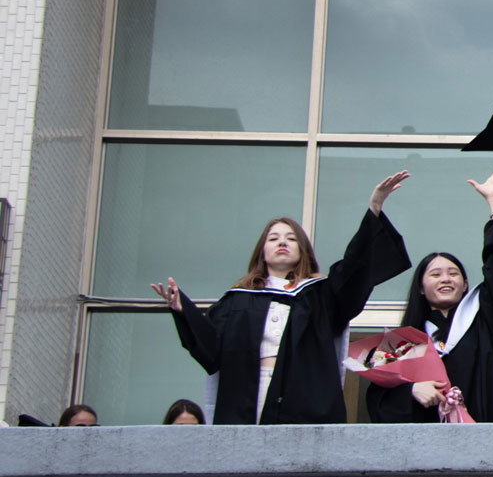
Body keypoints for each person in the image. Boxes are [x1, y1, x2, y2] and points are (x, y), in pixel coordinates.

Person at [152, 173, 412, 425]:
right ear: (262, 251)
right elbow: (210, 349)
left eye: (290, 239)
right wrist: (183, 310)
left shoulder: (319, 293)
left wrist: (374, 208)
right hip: (249, 392)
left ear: (302, 251)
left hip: (303, 396)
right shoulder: (238, 299)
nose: (282, 243)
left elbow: (353, 270)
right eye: (273, 238)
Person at [366, 166, 493, 425]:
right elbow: (377, 398)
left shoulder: (483, 323)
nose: (445, 278)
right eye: (435, 274)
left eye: (453, 273)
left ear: (465, 285)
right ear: (420, 288)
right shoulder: (402, 341)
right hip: (423, 450)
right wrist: (410, 391)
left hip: (481, 441)